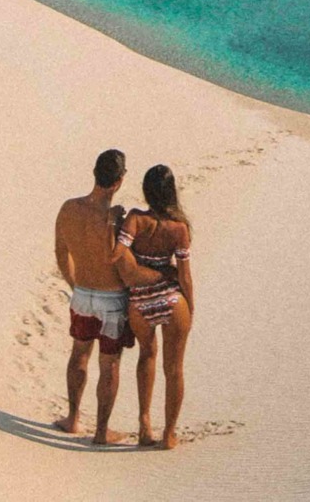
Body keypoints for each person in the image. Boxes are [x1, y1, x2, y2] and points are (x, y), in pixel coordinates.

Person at [53, 148, 134, 445]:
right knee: (109, 363)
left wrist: (75, 284)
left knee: (79, 354)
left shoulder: (69, 209)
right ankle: (101, 431)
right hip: (111, 300)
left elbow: (61, 253)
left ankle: (72, 418)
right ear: (120, 181)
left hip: (83, 294)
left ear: (94, 174)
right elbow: (125, 264)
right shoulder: (117, 218)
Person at [115, 164, 195, 450]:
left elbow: (119, 252)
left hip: (140, 300)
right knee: (174, 368)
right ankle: (170, 433)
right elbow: (184, 275)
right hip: (172, 300)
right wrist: (191, 306)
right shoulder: (179, 228)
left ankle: (144, 424)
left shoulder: (136, 220)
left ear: (147, 191)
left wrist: (135, 271)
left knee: (146, 356)